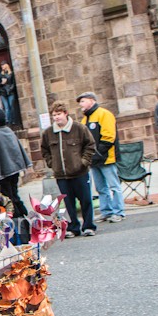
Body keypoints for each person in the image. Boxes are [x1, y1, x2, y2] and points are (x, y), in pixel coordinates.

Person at [41, 100, 97, 238]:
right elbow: (45, 150)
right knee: (68, 203)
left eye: (59, 114)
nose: (56, 118)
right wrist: (52, 163)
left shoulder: (79, 128)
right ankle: (73, 227)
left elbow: (90, 146)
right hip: (62, 175)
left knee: (85, 200)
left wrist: (83, 162)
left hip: (80, 173)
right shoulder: (48, 133)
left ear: (65, 113)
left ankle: (88, 226)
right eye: (54, 115)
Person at [77, 92, 125, 223]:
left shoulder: (104, 114)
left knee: (113, 186)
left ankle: (119, 212)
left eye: (83, 101)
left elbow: (108, 137)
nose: (80, 104)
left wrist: (98, 153)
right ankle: (106, 211)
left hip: (106, 158)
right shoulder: (85, 119)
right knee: (100, 188)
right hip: (93, 159)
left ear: (92, 101)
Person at [0, 108, 31, 230]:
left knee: (7, 200)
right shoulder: (8, 131)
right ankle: (24, 219)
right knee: (14, 195)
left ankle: (18, 225)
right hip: (13, 171)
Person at [0, 61, 17, 126]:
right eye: (1, 66)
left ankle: (13, 120)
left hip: (10, 92)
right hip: (3, 92)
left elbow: (13, 83)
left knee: (11, 106)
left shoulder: (11, 73)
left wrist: (10, 89)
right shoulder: (1, 74)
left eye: (3, 65)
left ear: (6, 65)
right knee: (6, 108)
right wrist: (1, 83)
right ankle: (7, 121)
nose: (2, 67)